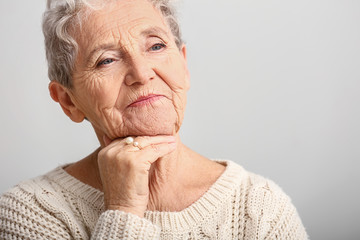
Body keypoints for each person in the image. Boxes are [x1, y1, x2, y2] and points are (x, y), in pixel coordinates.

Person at [0, 0, 308, 239]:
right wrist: (123, 212)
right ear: (68, 101)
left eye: (156, 46)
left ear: (184, 66)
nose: (142, 73)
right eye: (106, 60)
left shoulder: (259, 205)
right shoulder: (29, 210)